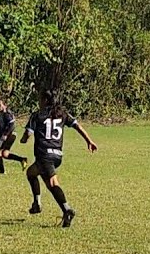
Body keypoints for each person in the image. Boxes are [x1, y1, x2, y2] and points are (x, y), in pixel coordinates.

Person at [20, 89, 97, 228]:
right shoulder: (62, 113)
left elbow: (27, 134)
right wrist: (89, 141)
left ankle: (66, 209)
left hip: (44, 156)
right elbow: (77, 126)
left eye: (40, 99)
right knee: (32, 173)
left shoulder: (38, 115)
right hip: (57, 156)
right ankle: (38, 204)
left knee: (52, 184)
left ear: (44, 100)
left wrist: (23, 139)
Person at [0, 97, 28, 174]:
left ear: (4, 105)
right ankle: (22, 160)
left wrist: (5, 134)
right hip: (9, 135)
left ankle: (2, 171)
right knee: (5, 154)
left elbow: (11, 125)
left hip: (9, 135)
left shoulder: (7, 113)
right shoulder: (1, 113)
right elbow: (4, 124)